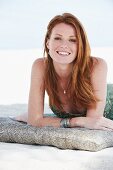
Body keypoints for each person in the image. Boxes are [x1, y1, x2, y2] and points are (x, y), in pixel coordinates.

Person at [16, 12, 113, 130]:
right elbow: (34, 121)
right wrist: (75, 121)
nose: (64, 45)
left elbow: (93, 122)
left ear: (80, 46)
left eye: (72, 40)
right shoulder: (40, 66)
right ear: (48, 43)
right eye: (57, 38)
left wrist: (45, 120)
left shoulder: (97, 66)